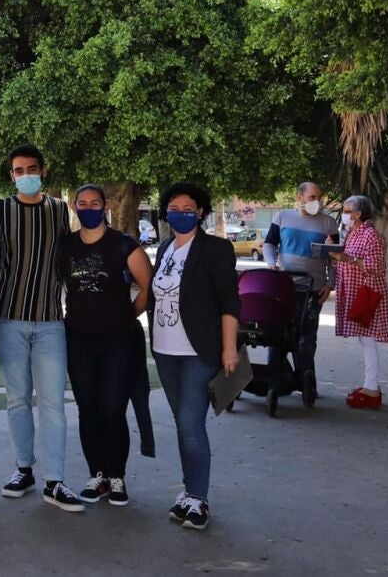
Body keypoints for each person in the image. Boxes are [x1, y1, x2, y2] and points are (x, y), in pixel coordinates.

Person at [0, 144, 80, 512]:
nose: (26, 175)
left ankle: (55, 480)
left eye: (32, 169)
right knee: (18, 399)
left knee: (53, 403)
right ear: (11, 175)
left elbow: (69, 258)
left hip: (51, 320)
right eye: (19, 170)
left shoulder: (59, 210)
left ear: (44, 171)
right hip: (9, 318)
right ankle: (23, 469)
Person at [149, 181, 240, 531]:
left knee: (190, 423)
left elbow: (229, 301)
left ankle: (198, 498)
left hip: (199, 352)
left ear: (200, 212)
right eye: (174, 208)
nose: (181, 214)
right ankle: (188, 492)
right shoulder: (165, 249)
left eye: (188, 209)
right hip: (165, 350)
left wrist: (229, 347)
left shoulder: (215, 249)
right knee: (183, 423)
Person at [62, 184, 153, 507]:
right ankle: (97, 475)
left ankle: (117, 476)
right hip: (78, 339)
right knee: (87, 409)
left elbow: (148, 286)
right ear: (74, 207)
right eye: (82, 203)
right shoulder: (66, 246)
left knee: (113, 409)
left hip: (119, 341)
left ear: (105, 207)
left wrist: (128, 315)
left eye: (95, 203)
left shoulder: (124, 245)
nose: (89, 208)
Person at [262, 181, 339, 374]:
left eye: (319, 197)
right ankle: (276, 375)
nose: (317, 201)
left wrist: (330, 284)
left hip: (314, 288)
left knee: (307, 337)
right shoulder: (282, 217)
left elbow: (335, 258)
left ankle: (305, 378)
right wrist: (271, 263)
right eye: (312, 197)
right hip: (284, 287)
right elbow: (269, 244)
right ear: (299, 197)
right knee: (278, 333)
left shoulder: (328, 223)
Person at [331, 195, 388, 410]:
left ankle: (372, 388)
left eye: (347, 211)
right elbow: (346, 259)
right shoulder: (353, 233)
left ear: (358, 214)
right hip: (354, 292)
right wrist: (334, 252)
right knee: (364, 338)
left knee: (367, 339)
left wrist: (347, 259)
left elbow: (375, 267)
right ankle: (370, 385)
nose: (344, 215)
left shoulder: (371, 236)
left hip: (366, 293)